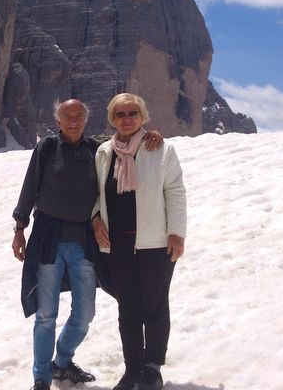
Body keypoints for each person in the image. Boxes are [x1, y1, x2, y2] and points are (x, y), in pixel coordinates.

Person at [13, 99, 162, 390]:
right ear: (58, 121)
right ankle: (42, 378)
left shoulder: (97, 151)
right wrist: (19, 228)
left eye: (78, 116)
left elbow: (126, 148)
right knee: (46, 315)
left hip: (83, 243)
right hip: (48, 242)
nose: (73, 120)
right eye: (67, 116)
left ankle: (61, 362)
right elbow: (29, 187)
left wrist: (151, 135)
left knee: (84, 314)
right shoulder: (46, 148)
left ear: (86, 120)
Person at [91, 93, 187, 390]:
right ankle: (132, 369)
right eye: (121, 114)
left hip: (155, 244)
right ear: (112, 119)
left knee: (155, 306)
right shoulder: (104, 153)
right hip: (116, 246)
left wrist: (177, 232)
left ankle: (152, 368)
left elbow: (174, 191)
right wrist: (95, 219)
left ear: (143, 117)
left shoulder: (160, 148)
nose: (127, 118)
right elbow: (95, 194)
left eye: (133, 113)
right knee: (128, 309)